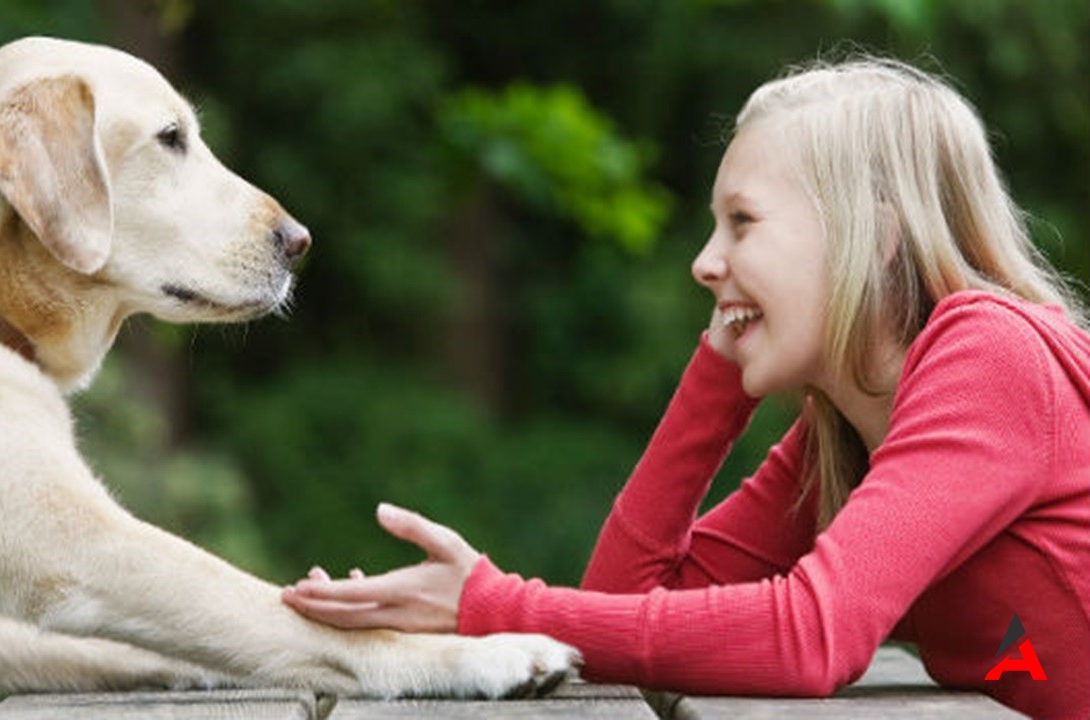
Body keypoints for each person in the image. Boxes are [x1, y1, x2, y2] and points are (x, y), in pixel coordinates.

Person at [280, 56, 1090, 720]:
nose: (705, 261)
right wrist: (720, 375)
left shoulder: (990, 356)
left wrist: (491, 607)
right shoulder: (847, 431)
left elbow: (812, 635)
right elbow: (623, 604)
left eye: (743, 222)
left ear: (873, 236)